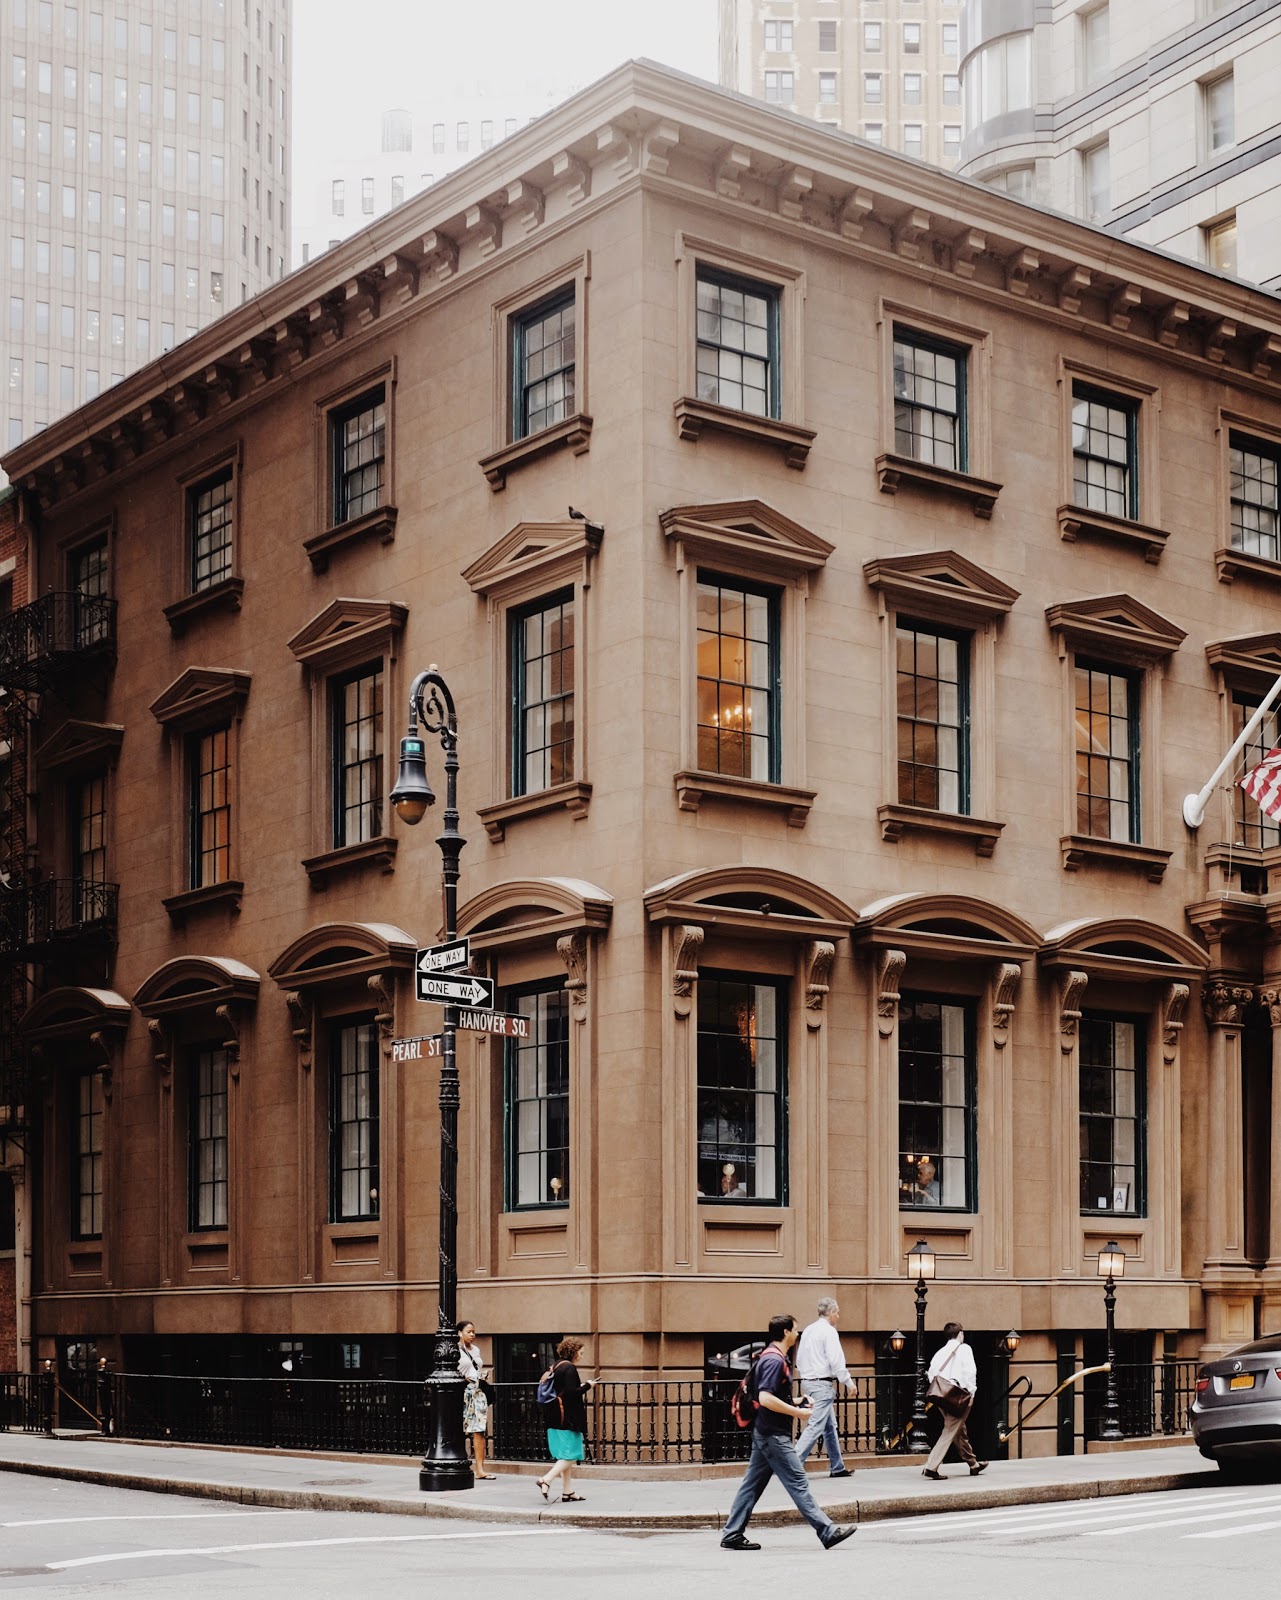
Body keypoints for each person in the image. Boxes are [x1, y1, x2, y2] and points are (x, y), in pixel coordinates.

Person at [719, 1313, 857, 1553]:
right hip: (773, 1434)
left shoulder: (769, 1356)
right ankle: (826, 1530)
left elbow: (770, 1395)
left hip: (765, 1431)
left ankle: (732, 1533)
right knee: (798, 1481)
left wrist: (796, 1400)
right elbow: (765, 1398)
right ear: (785, 1332)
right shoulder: (775, 1361)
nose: (798, 1333)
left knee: (751, 1484)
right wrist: (796, 1412)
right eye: (795, 1329)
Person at [795, 1296, 855, 1478]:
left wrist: (806, 1376)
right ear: (830, 1313)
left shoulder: (808, 1331)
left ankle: (837, 1467)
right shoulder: (829, 1332)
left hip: (808, 1381)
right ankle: (792, 1465)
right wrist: (849, 1383)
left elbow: (799, 1359)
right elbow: (836, 1361)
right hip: (822, 1383)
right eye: (837, 1312)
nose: (838, 1316)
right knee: (814, 1426)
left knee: (829, 1427)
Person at [921, 1321, 988, 1481]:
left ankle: (973, 1464)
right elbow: (970, 1372)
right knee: (950, 1430)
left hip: (941, 1397)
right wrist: (971, 1393)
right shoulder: (965, 1348)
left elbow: (931, 1374)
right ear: (960, 1334)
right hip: (959, 1397)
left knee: (959, 1430)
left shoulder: (940, 1352)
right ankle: (931, 1467)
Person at [536, 1336, 595, 1503]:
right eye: (581, 1353)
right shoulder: (569, 1368)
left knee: (564, 1455)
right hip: (566, 1418)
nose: (582, 1356)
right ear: (574, 1352)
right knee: (571, 1454)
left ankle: (567, 1492)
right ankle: (545, 1479)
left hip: (554, 1416)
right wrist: (588, 1386)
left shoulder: (555, 1366)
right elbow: (571, 1393)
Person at [456, 1319, 496, 1479]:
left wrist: (481, 1374)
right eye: (468, 1332)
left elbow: (476, 1368)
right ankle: (459, 1463)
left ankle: (480, 1470)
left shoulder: (476, 1350)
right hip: (462, 1392)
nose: (472, 1334)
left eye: (473, 1331)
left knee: (479, 1430)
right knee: (459, 1429)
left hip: (477, 1392)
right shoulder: (453, 1350)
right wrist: (464, 1378)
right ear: (459, 1333)